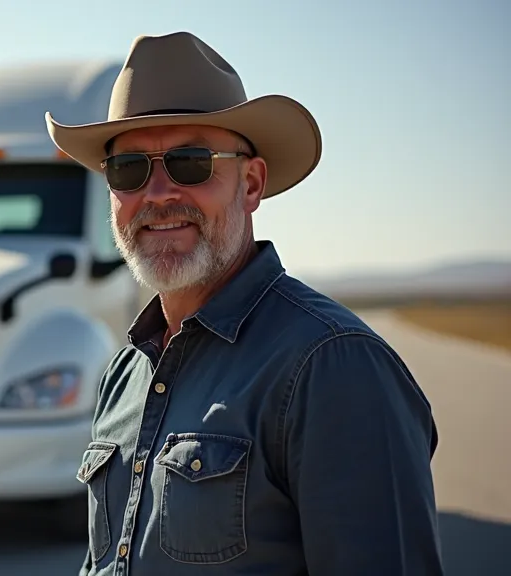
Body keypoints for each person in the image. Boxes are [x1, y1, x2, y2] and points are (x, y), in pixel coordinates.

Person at [45, 31, 444, 575]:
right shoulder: (125, 373)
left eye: (189, 162)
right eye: (129, 169)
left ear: (251, 183)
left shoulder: (333, 367)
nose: (158, 193)